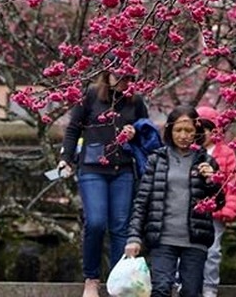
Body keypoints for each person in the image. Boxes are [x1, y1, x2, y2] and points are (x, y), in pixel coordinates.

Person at [58, 61, 151, 297]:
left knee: (120, 227)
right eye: (118, 75)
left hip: (123, 170)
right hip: (92, 168)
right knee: (97, 221)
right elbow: (73, 129)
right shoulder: (90, 96)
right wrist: (66, 158)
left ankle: (120, 282)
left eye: (127, 77)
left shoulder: (135, 100)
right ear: (107, 73)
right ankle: (92, 278)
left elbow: (146, 131)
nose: (123, 81)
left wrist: (135, 132)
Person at [123, 105, 224, 297]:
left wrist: (211, 181)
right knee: (160, 289)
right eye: (178, 130)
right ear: (170, 131)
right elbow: (142, 201)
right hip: (162, 238)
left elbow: (218, 202)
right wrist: (134, 237)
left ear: (197, 132)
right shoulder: (157, 159)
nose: (183, 135)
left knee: (191, 292)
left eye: (189, 131)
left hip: (195, 240)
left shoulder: (207, 162)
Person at [195, 105, 236, 297]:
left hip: (215, 212)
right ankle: (184, 283)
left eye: (205, 130)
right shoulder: (189, 151)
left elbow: (233, 184)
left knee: (212, 252)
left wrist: (228, 209)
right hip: (190, 212)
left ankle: (209, 288)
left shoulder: (226, 153)